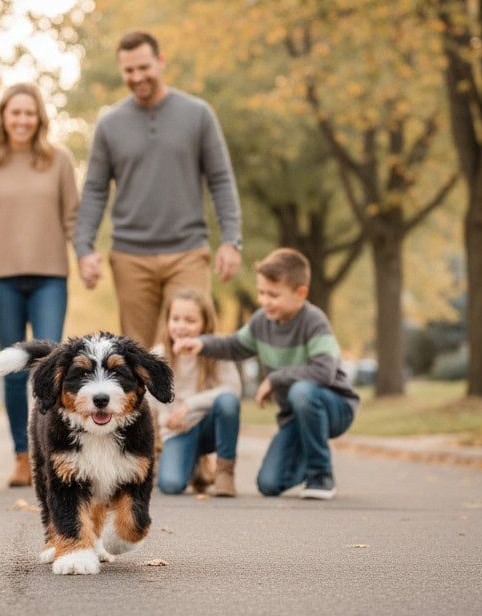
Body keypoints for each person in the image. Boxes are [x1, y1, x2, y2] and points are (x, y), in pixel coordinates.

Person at [74, 30, 244, 349]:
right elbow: (95, 190)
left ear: (161, 62)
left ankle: (192, 402)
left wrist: (231, 240)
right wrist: (84, 248)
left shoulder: (198, 114)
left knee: (190, 343)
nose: (137, 77)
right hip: (131, 256)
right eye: (129, 70)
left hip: (187, 251)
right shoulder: (110, 124)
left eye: (144, 67)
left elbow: (221, 179)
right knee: (136, 354)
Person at [174, 248, 359, 500]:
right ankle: (306, 455)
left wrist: (274, 379)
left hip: (334, 406)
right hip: (296, 416)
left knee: (301, 391)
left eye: (273, 294)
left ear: (300, 293)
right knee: (268, 484)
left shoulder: (314, 321)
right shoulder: (262, 322)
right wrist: (202, 344)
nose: (264, 301)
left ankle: (321, 474)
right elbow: (234, 345)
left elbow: (323, 372)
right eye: (261, 293)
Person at [0, 81, 79, 488]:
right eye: (14, 112)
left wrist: (84, 255)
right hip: (2, 280)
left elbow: (72, 216)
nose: (21, 120)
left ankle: (52, 449)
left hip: (50, 274)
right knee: (16, 369)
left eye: (28, 113)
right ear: (3, 116)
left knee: (51, 364)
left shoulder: (59, 160)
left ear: (39, 118)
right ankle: (23, 456)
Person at [150, 288, 242, 497]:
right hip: (179, 430)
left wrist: (189, 406)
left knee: (227, 402)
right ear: (168, 321)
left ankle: (224, 472)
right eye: (176, 319)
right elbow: (150, 399)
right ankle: (191, 462)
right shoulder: (159, 354)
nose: (181, 326)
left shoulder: (217, 350)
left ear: (205, 324)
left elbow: (233, 389)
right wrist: (167, 419)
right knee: (170, 485)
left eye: (190, 321)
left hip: (209, 424)